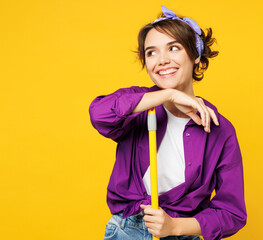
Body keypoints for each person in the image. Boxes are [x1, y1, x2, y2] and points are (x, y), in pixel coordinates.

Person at [89, 5, 247, 240]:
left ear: (195, 56)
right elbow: (99, 114)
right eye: (151, 52)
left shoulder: (219, 130)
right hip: (127, 230)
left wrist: (175, 227)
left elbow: (232, 213)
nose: (161, 60)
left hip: (182, 232)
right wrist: (168, 95)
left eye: (173, 48)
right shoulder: (139, 104)